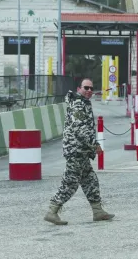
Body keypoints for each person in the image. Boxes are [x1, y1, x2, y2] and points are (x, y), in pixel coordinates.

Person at [44, 78, 114, 225]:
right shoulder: (78, 104)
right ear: (79, 89)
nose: (89, 91)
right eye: (86, 88)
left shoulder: (83, 102)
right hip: (75, 150)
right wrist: (94, 144)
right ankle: (52, 210)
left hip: (81, 150)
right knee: (70, 182)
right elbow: (80, 129)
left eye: (91, 88)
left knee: (90, 180)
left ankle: (98, 211)